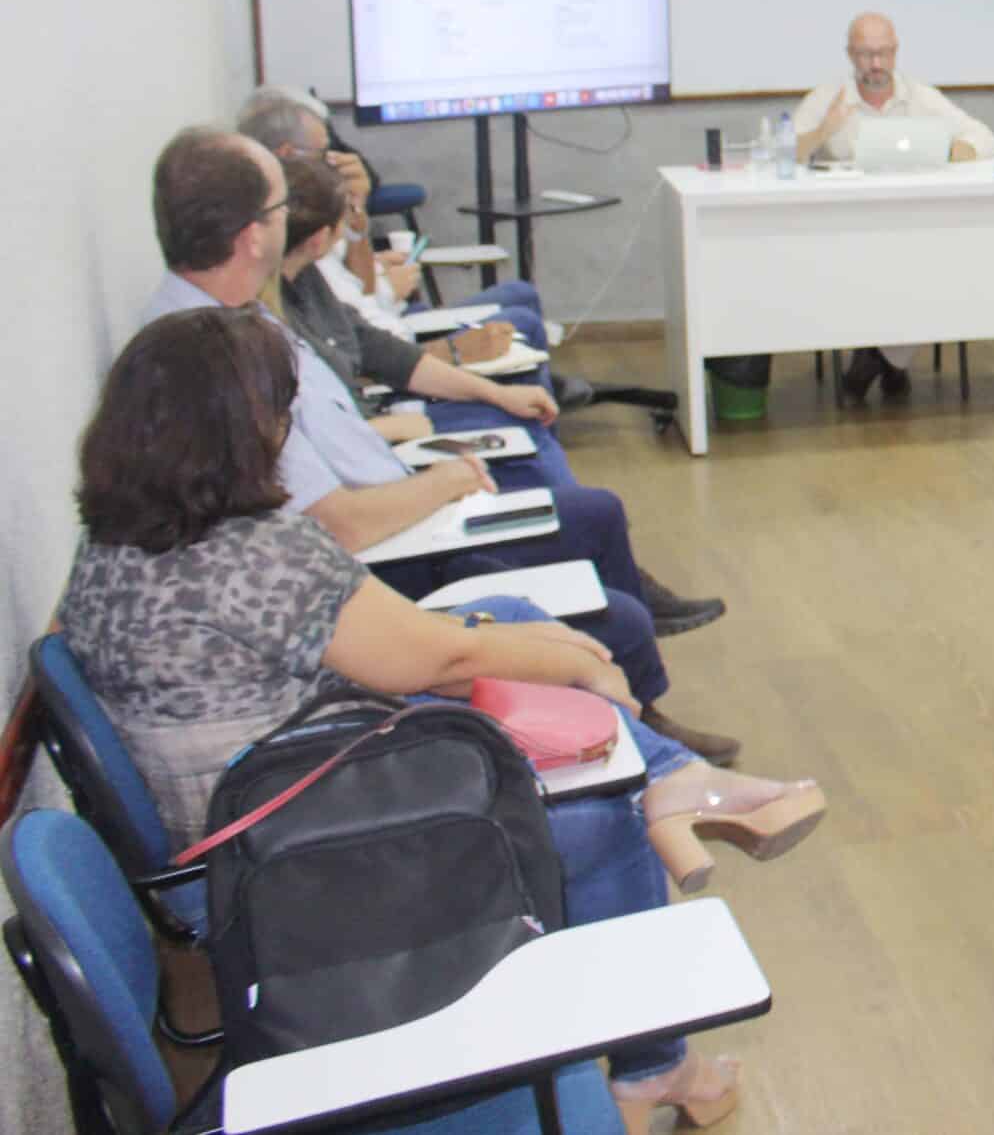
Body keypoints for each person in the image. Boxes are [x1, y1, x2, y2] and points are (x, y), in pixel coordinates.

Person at [56, 307, 828, 1130]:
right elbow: (436, 659)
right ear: (248, 427)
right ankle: (656, 1062)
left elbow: (405, 645)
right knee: (606, 821)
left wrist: (527, 640)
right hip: (284, 857)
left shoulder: (118, 542)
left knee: (499, 615)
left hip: (254, 808)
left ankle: (676, 779)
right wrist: (571, 656)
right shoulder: (253, 554)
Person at [137, 127, 737, 759]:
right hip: (377, 570)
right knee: (614, 613)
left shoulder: (233, 321)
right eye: (281, 207)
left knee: (590, 545)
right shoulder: (211, 364)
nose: (292, 222)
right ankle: (646, 747)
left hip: (376, 538)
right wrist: (443, 481)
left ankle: (645, 741)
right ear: (254, 234)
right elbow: (338, 526)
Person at [235, 88, 556, 373]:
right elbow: (360, 325)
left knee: (520, 294)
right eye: (325, 153)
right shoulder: (296, 225)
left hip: (388, 325)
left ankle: (543, 390)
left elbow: (359, 290)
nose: (336, 161)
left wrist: (357, 212)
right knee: (521, 320)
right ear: (288, 154)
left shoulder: (315, 209)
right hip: (393, 342)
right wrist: (389, 288)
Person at [791, 11, 994, 402]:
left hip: (913, 226)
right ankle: (893, 361)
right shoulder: (828, 98)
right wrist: (825, 130)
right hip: (849, 231)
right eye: (866, 55)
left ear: (896, 51)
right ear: (850, 55)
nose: (876, 65)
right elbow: (786, 154)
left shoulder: (920, 96)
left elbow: (984, 136)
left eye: (884, 53)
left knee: (929, 265)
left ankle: (879, 356)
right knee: (888, 269)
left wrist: (952, 151)